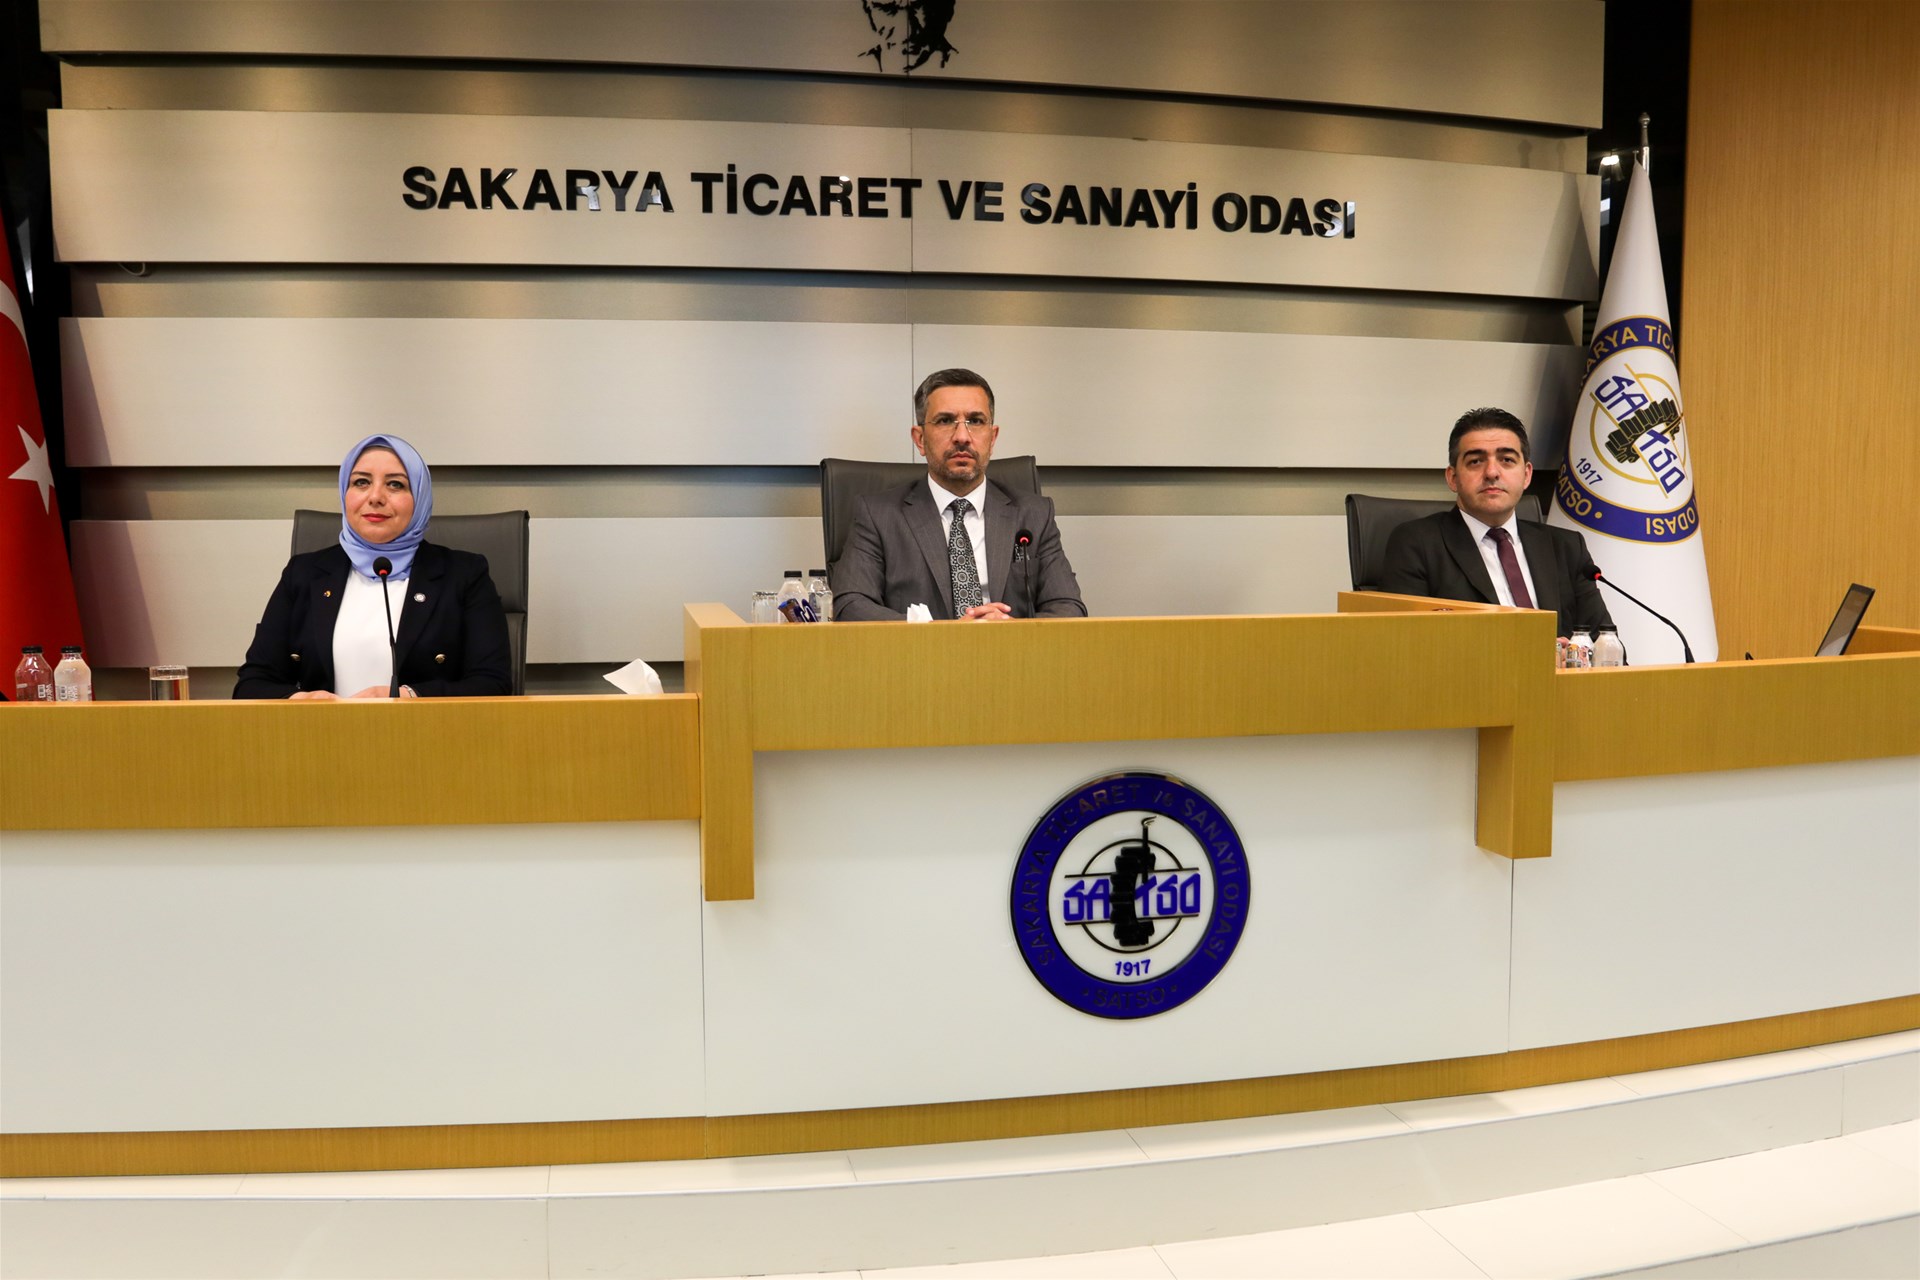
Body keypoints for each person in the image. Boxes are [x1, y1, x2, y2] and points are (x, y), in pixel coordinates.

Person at [234, 434, 511, 699]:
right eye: (361, 482)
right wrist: (301, 700)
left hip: (427, 731)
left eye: (395, 485)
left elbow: (493, 684)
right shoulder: (304, 574)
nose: (375, 496)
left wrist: (407, 697)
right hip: (323, 730)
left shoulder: (464, 575)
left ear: (420, 497)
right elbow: (252, 684)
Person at [832, 368, 1086, 621]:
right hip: (923, 647)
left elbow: (1068, 607)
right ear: (920, 439)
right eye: (945, 421)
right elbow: (851, 605)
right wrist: (943, 635)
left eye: (975, 421)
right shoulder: (879, 516)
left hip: (1011, 647)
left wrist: (1011, 631)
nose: (962, 437)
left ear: (992, 438)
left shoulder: (1034, 515)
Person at [1378, 407, 1612, 635]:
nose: (1492, 472)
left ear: (1526, 475)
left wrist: (1570, 652)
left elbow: (1606, 644)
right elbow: (1408, 642)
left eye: (1507, 460)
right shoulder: (1417, 544)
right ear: (1453, 478)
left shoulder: (1566, 548)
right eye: (1475, 461)